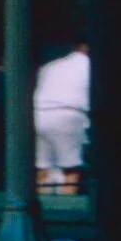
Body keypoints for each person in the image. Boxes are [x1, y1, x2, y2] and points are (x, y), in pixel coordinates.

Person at [33, 40, 90, 196]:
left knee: (43, 169)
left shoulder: (51, 66)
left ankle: (43, 205)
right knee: (70, 170)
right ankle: (67, 208)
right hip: (68, 115)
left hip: (40, 114)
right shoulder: (91, 66)